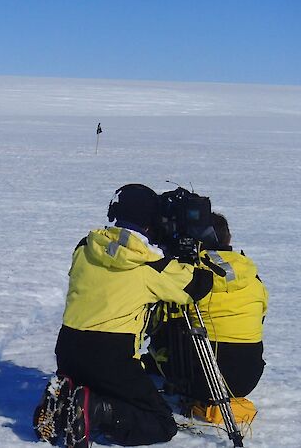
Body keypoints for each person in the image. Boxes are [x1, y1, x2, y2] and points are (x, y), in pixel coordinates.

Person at [33, 184, 214, 448]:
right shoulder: (148, 263)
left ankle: (66, 396)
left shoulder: (84, 247)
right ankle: (95, 409)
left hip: (68, 348)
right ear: (152, 222)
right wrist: (189, 253)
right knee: (161, 423)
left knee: (99, 379)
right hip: (110, 354)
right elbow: (196, 287)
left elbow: (116, 254)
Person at [148, 212, 268, 401]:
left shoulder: (192, 275)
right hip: (248, 376)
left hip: (202, 379)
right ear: (228, 238)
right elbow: (261, 315)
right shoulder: (250, 274)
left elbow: (158, 323)